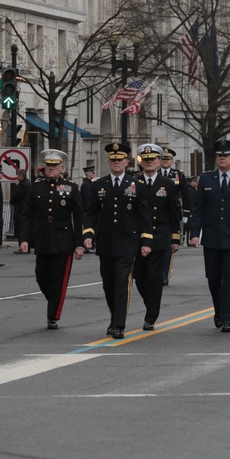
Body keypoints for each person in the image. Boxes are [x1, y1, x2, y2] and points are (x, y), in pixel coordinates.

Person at [83, 142, 153, 339]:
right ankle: (115, 318)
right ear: (108, 161)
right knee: (108, 283)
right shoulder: (98, 185)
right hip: (105, 242)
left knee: (122, 282)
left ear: (127, 162)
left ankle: (119, 325)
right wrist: (88, 235)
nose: (116, 163)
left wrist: (146, 242)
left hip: (128, 242)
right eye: (113, 160)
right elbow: (90, 214)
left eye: (120, 160)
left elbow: (144, 216)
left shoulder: (136, 185)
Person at [187, 139, 230, 332]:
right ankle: (218, 310)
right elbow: (198, 209)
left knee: (229, 278)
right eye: (220, 156)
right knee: (213, 278)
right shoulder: (207, 179)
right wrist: (194, 233)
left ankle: (227, 318)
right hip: (211, 236)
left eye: (226, 156)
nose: (223, 159)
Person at [19, 150, 85, 330]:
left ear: (62, 168)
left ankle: (53, 315)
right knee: (41, 276)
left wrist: (80, 243)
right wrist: (24, 239)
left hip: (64, 240)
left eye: (55, 166)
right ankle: (55, 300)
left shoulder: (71, 188)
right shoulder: (35, 188)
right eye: (48, 165)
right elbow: (26, 216)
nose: (51, 169)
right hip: (42, 238)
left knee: (59, 279)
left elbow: (78, 218)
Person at [132, 144, 180, 330]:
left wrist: (175, 238)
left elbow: (174, 212)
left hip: (159, 236)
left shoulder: (168, 184)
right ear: (141, 162)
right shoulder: (134, 182)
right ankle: (150, 304)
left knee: (154, 276)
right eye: (146, 159)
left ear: (159, 162)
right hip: (138, 237)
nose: (149, 162)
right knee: (139, 277)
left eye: (153, 159)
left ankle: (151, 315)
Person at [157, 147, 188, 283]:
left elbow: (185, 195)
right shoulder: (154, 173)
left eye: (167, 159)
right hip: (156, 211)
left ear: (172, 161)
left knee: (169, 246)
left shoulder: (178, 174)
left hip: (172, 212)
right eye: (163, 159)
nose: (165, 161)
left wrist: (186, 213)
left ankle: (164, 275)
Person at [10, 168, 31, 253]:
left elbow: (16, 195)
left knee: (21, 228)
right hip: (24, 208)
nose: (17, 177)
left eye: (18, 175)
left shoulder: (23, 185)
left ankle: (22, 247)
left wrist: (12, 200)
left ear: (21, 176)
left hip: (21, 209)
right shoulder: (27, 184)